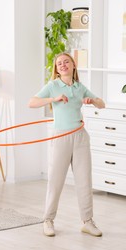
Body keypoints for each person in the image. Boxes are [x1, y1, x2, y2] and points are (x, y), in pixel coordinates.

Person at [28, 52, 105, 237]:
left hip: (80, 137)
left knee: (84, 181)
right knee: (55, 181)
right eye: (59, 63)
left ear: (73, 65)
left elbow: (102, 104)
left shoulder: (79, 87)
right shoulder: (53, 86)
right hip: (61, 137)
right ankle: (48, 220)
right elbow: (32, 102)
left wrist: (92, 101)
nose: (62, 65)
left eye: (66, 62)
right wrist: (53, 99)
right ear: (56, 68)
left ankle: (87, 221)